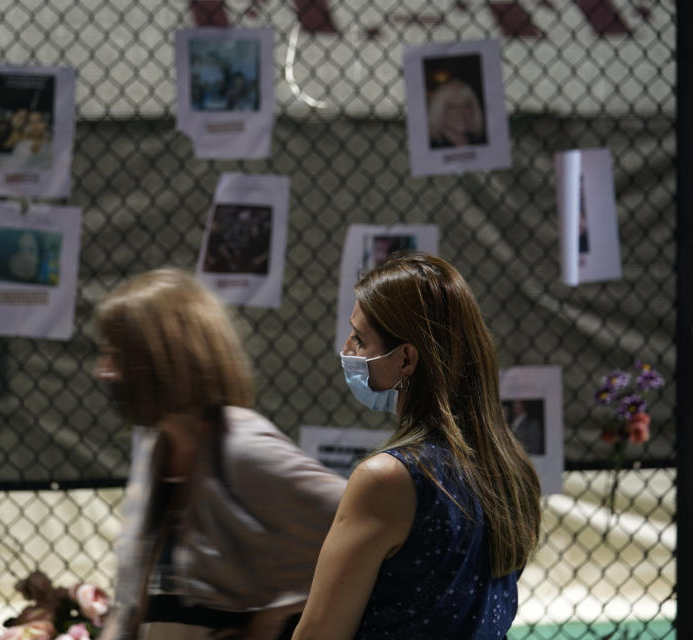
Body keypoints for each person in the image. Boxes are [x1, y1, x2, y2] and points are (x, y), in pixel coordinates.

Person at [292, 253, 541, 640]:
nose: (347, 349)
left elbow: (319, 634)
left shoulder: (389, 479)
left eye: (360, 338)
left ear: (406, 358)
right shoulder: (513, 468)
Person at [95, 269, 346, 640]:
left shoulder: (242, 447)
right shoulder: (157, 446)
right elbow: (131, 601)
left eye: (117, 356)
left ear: (162, 359)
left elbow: (361, 531)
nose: (104, 372)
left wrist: (268, 625)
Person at [427, 79, 487, 149]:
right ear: (438, 111)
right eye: (452, 106)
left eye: (466, 105)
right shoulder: (430, 149)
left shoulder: (484, 143)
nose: (461, 112)